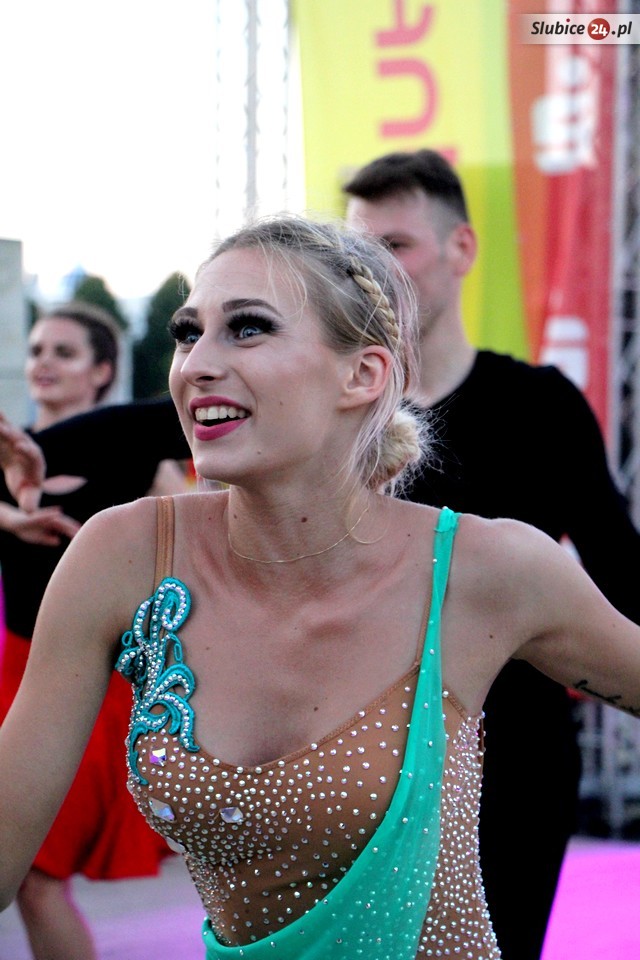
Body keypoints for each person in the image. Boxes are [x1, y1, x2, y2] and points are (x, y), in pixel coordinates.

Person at [1, 215, 640, 960]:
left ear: (362, 375)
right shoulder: (124, 554)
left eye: (247, 328)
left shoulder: (486, 569)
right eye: (187, 333)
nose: (196, 364)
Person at [342, 149, 640, 959]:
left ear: (462, 248)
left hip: (517, 762)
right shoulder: (336, 413)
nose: (374, 272)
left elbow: (622, 569)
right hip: (357, 758)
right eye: (358, 252)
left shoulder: (539, 406)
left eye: (395, 245)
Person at [0, 301, 190, 960]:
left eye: (64, 351)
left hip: (89, 687)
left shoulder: (137, 451)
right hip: (12, 674)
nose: (44, 362)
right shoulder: (11, 450)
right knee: (26, 876)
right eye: (37, 350)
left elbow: (203, 536)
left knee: (36, 874)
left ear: (102, 370)